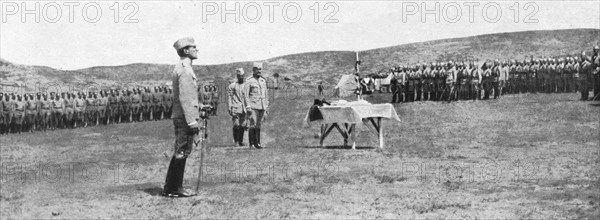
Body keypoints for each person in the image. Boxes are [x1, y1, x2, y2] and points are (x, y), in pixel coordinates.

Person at [163, 37, 203, 197]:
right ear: (186, 50)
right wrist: (192, 120)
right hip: (185, 118)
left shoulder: (183, 67)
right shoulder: (185, 69)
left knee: (181, 151)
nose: (197, 49)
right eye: (194, 47)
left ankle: (171, 188)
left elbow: (189, 97)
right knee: (182, 151)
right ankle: (174, 189)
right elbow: (185, 98)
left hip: (183, 116)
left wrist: (200, 106)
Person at [243, 62, 269, 149]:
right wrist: (248, 107)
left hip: (261, 106)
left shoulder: (263, 80)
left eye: (260, 69)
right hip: (253, 106)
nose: (259, 71)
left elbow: (266, 94)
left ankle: (257, 143)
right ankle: (252, 144)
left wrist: (266, 105)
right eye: (257, 69)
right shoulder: (249, 80)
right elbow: (245, 94)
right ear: (253, 70)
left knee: (258, 124)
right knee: (253, 124)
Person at [228, 68, 247, 147]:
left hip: (244, 109)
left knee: (242, 125)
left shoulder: (246, 85)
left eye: (242, 76)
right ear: (237, 76)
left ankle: (240, 141)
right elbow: (229, 97)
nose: (241, 77)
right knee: (236, 125)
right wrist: (230, 107)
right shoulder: (232, 86)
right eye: (239, 76)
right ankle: (236, 141)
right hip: (235, 108)